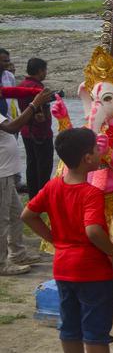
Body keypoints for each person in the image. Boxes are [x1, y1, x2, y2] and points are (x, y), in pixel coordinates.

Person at [21, 127, 113, 353]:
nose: (100, 153)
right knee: (95, 328)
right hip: (91, 270)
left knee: (69, 325)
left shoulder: (53, 186)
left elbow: (28, 214)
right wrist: (112, 252)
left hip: (63, 266)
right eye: (97, 150)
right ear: (87, 158)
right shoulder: (90, 192)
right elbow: (93, 231)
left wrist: (54, 239)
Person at [1, 86, 52, 274]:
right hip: (1, 174)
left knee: (16, 215)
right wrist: (34, 104)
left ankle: (17, 253)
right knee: (2, 219)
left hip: (7, 173)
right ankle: (1, 263)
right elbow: (12, 127)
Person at [19, 57, 55, 200]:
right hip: (41, 134)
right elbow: (43, 113)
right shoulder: (39, 89)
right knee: (44, 167)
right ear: (40, 71)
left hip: (26, 131)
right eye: (45, 70)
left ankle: (33, 197)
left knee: (31, 165)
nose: (45, 73)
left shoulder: (22, 84)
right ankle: (43, 198)